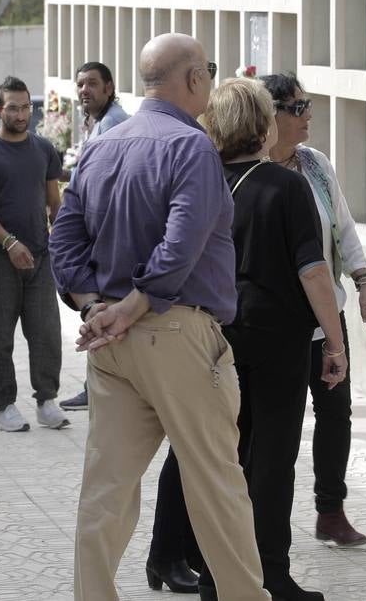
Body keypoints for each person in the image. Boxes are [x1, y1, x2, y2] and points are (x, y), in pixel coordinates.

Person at [50, 34, 269, 601]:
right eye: (210, 71)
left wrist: (93, 305)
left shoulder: (102, 145)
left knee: (106, 491)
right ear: (194, 78)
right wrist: (129, 306)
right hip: (175, 335)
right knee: (217, 485)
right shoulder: (192, 147)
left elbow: (65, 238)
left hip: (112, 345)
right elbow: (181, 244)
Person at [195, 77, 347, 601]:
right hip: (279, 340)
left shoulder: (203, 179)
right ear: (263, 125)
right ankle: (270, 576)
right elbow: (313, 270)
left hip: (215, 337)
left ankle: (216, 576)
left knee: (225, 460)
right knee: (274, 461)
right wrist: (335, 342)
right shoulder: (286, 187)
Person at [261, 73, 366, 548]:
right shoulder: (248, 168)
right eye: (297, 107)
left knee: (336, 413)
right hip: (278, 324)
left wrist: (364, 282)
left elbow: (344, 230)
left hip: (327, 316)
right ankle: (267, 523)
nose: (308, 114)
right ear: (270, 116)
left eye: (307, 104)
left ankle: (330, 510)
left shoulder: (315, 165)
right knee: (281, 423)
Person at [0, 76, 68, 433]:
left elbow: (54, 202)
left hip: (40, 258)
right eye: (13, 107)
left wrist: (65, 237)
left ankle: (46, 401)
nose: (21, 114)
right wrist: (9, 243)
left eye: (26, 107)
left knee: (46, 333)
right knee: (0, 336)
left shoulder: (43, 150)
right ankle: (5, 405)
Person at [59, 60, 130, 412]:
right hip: (98, 234)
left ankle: (103, 386)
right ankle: (98, 384)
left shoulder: (115, 124)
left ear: (109, 87)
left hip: (109, 236)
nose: (84, 90)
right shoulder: (98, 122)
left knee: (105, 309)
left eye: (91, 84)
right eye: (80, 85)